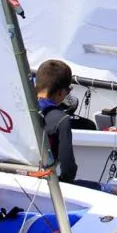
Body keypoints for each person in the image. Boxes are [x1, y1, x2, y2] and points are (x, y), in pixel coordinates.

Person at [35, 59, 102, 190]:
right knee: (110, 190)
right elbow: (68, 168)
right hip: (44, 185)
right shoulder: (61, 120)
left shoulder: (19, 110)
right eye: (68, 90)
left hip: (16, 177)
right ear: (61, 92)